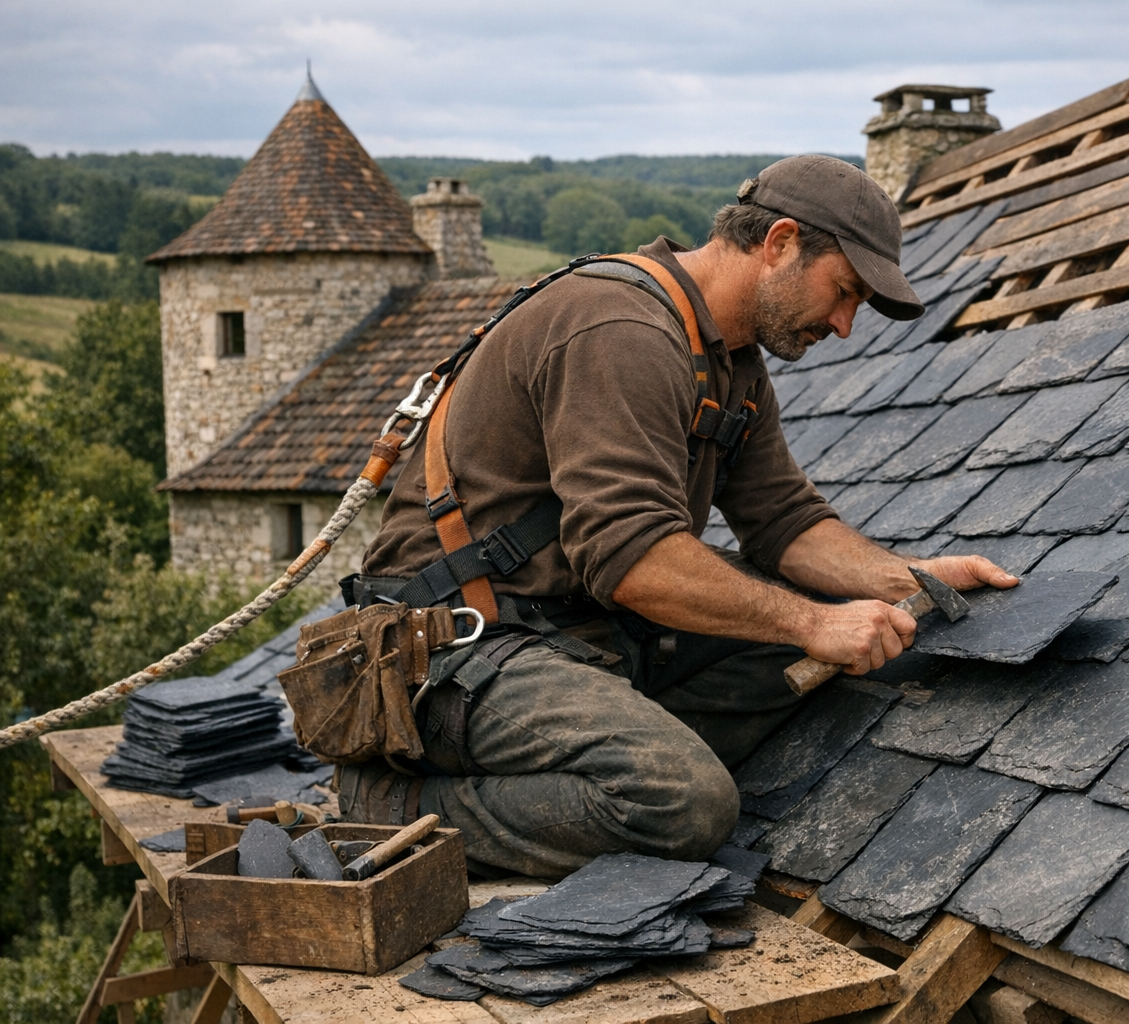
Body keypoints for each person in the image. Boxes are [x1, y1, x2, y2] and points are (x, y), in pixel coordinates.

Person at [340, 155, 1017, 877]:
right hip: (453, 647)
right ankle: (393, 805)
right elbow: (631, 561)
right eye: (844, 291)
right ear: (780, 242)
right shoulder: (620, 328)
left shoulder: (732, 362)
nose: (845, 325)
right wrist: (813, 623)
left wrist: (906, 580)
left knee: (847, 647)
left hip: (570, 629)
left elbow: (783, 519)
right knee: (685, 802)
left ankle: (615, 756)